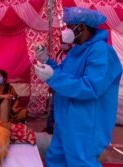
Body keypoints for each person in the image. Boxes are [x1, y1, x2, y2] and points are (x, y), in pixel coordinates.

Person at [34, 7, 122, 166]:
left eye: (68, 26)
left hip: (85, 125)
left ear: (81, 27)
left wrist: (53, 77)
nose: (65, 31)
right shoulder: (77, 50)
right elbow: (66, 75)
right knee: (56, 158)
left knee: (80, 161)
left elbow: (91, 87)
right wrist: (47, 61)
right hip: (66, 121)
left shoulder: (101, 52)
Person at [35, 43, 72, 135]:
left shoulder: (74, 54)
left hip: (70, 85)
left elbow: (64, 71)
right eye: (61, 42)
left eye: (65, 42)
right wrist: (46, 60)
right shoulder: (59, 53)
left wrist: (47, 60)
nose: (62, 44)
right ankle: (49, 128)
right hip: (59, 84)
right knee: (54, 107)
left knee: (67, 109)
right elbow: (57, 68)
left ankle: (64, 131)